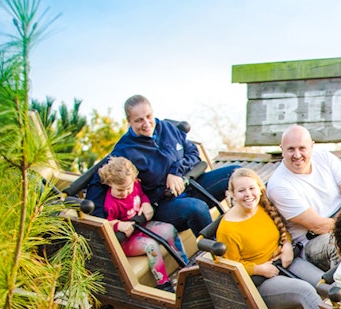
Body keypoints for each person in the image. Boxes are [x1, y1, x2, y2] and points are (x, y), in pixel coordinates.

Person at [90, 95, 236, 237]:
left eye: (149, 116)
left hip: (191, 184)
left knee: (235, 174)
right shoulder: (124, 150)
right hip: (163, 204)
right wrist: (104, 223)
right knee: (197, 208)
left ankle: (245, 226)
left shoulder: (167, 128)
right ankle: (216, 255)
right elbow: (99, 180)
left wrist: (175, 172)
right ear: (129, 121)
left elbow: (192, 152)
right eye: (139, 120)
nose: (146, 124)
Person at [216, 168, 323, 309]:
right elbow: (229, 267)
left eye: (252, 188)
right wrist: (257, 269)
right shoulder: (228, 229)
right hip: (260, 282)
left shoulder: (263, 207)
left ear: (260, 189)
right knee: (305, 290)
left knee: (324, 284)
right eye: (241, 191)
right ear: (233, 194)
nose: (248, 194)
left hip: (284, 262)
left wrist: (287, 245)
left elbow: (282, 230)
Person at [266, 125, 341, 272]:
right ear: (282, 149)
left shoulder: (324, 156)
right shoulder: (278, 185)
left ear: (312, 146)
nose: (297, 155)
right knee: (338, 243)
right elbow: (317, 226)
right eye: (291, 149)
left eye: (302, 148)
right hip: (314, 241)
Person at [97, 156, 188, 292]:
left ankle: (186, 268)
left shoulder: (135, 185)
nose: (125, 193)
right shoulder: (111, 203)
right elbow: (106, 223)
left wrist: (146, 203)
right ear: (110, 184)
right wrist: (118, 224)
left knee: (169, 230)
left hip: (140, 225)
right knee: (151, 246)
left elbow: (141, 195)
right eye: (120, 190)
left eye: (128, 188)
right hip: (126, 239)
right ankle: (163, 284)